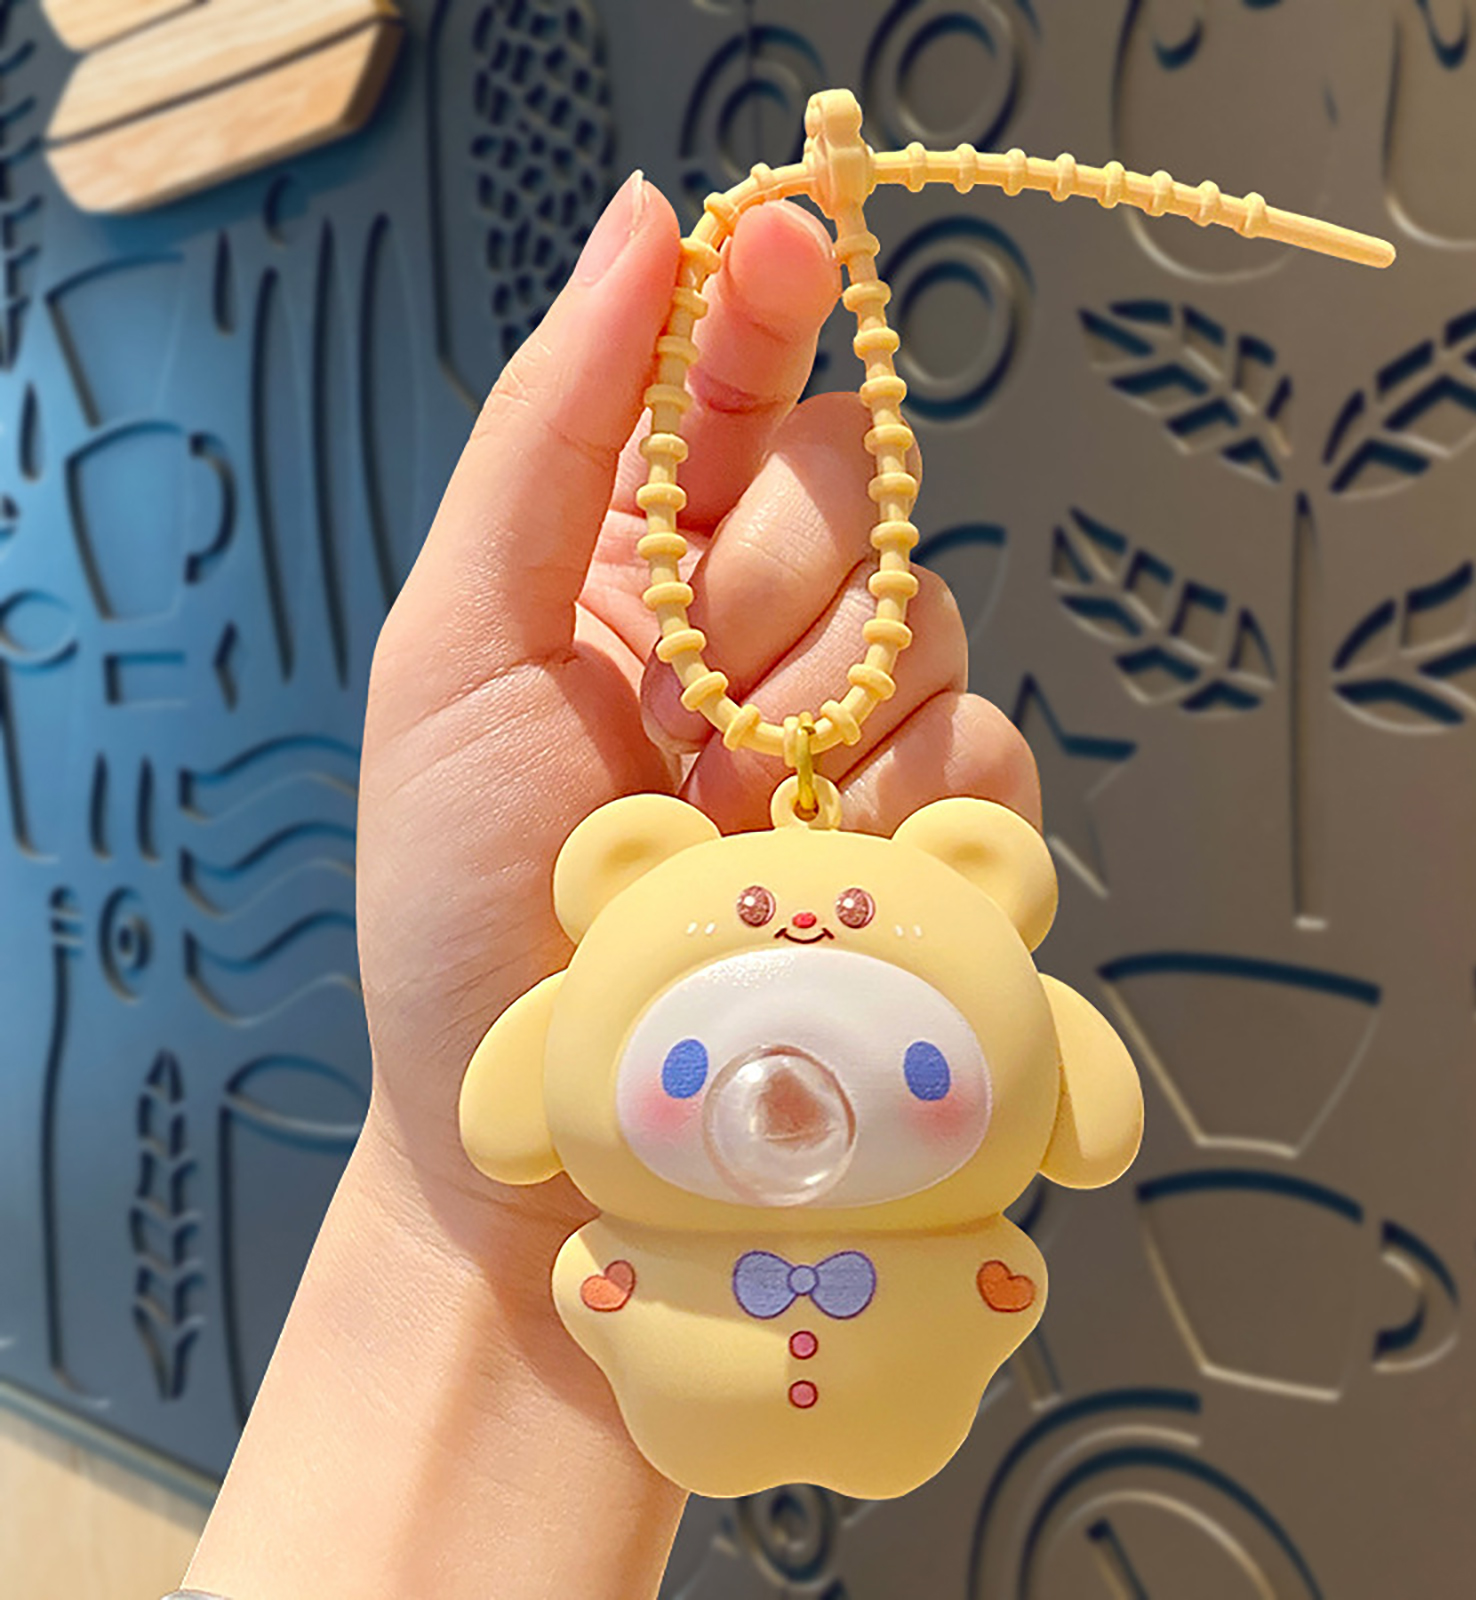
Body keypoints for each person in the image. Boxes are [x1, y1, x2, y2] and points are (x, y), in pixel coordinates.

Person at [172, 172, 1042, 1600]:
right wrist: (481, 1212)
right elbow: (511, 1114)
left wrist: (485, 1228)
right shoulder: (601, 984)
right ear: (622, 873)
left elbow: (1078, 1111)